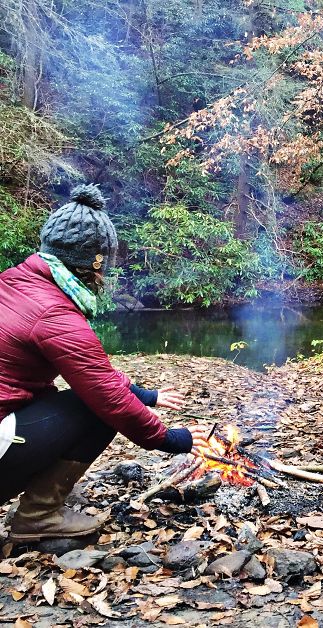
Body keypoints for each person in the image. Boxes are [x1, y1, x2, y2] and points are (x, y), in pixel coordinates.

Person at [0, 184, 210, 542]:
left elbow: (92, 371)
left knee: (88, 400)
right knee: (99, 411)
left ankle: (40, 501)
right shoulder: (55, 313)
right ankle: (39, 515)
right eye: (104, 267)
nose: (105, 277)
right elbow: (107, 396)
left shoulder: (15, 281)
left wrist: (146, 394)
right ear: (94, 264)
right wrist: (173, 439)